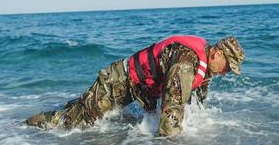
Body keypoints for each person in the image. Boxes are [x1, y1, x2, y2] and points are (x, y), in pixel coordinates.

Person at [26, 35, 245, 136]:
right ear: (216, 54)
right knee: (73, 122)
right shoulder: (186, 63)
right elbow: (173, 108)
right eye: (228, 67)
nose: (226, 73)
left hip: (139, 89)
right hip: (118, 82)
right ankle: (27, 125)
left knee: (82, 113)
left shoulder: (206, 67)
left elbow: (196, 101)